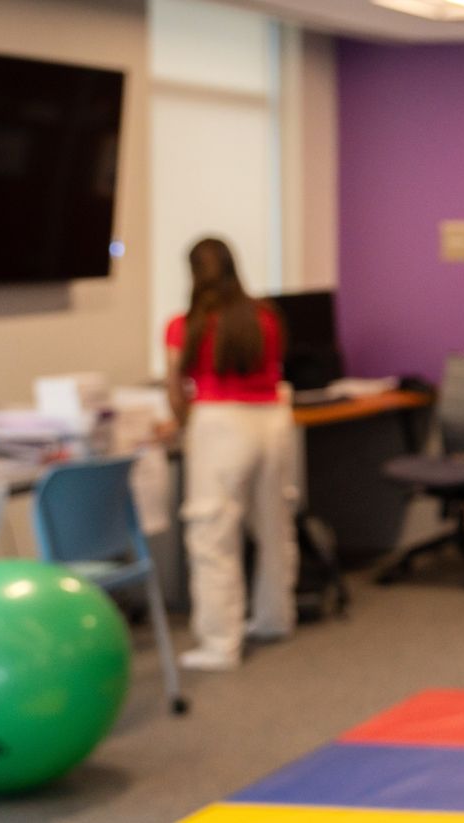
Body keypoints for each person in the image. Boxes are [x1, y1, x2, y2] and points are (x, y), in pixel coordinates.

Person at [164, 237, 299, 672]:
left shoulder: (187, 325)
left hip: (221, 426)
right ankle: (276, 617)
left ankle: (220, 643)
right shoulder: (265, 317)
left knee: (212, 534)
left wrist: (181, 424)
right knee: (274, 524)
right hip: (273, 423)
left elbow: (175, 387)